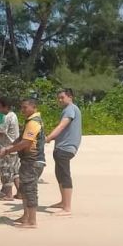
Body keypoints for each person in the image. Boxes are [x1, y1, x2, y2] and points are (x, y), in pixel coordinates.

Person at [0, 98, 45, 228]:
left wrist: (8, 150)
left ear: (33, 107)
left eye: (25, 107)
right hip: (27, 161)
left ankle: (32, 221)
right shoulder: (29, 121)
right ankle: (26, 216)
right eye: (22, 107)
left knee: (30, 190)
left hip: (33, 161)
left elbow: (26, 142)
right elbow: (20, 139)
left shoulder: (34, 122)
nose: (22, 110)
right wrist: (7, 147)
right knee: (24, 189)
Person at [45, 88, 82, 216]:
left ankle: (67, 208)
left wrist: (48, 138)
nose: (60, 100)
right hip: (61, 147)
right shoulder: (68, 109)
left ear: (70, 97)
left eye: (62, 97)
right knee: (59, 174)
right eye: (58, 98)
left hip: (66, 148)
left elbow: (62, 125)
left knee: (64, 175)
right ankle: (63, 202)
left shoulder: (70, 109)